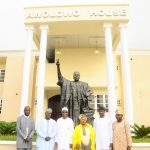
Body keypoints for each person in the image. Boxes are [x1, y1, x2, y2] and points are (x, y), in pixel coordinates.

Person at [56, 59, 93, 125]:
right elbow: (60, 78)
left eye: (78, 74)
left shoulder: (84, 84)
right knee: (71, 119)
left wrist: (87, 100)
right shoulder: (69, 83)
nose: (76, 75)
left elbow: (89, 95)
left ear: (79, 76)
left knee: (80, 119)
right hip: (71, 105)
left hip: (80, 105)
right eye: (75, 74)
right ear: (73, 76)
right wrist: (58, 66)